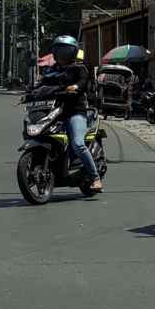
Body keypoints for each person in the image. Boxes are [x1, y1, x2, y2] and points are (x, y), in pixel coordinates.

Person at [34, 35, 103, 194]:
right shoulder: (52, 70)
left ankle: (95, 178)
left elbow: (83, 83)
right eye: (59, 50)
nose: (62, 54)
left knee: (78, 144)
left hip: (75, 112)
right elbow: (41, 85)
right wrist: (29, 93)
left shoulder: (80, 68)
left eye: (66, 51)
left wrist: (75, 87)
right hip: (54, 112)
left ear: (73, 52)